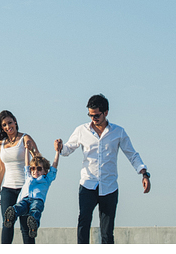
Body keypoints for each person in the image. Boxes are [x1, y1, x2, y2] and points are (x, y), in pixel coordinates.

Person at [56, 94, 151, 244]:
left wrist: (144, 174)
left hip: (109, 187)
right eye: (90, 115)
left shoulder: (118, 132)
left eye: (96, 115)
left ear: (106, 112)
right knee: (83, 224)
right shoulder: (81, 130)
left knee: (107, 231)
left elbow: (132, 155)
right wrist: (60, 147)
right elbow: (67, 150)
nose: (93, 118)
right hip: (87, 185)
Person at [0, 110, 39, 244]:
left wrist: (31, 150)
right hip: (8, 188)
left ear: (15, 122)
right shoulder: (1, 143)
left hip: (25, 189)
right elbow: (1, 168)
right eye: (4, 125)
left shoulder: (25, 138)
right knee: (7, 223)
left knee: (26, 227)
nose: (8, 127)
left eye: (10, 123)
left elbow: (38, 159)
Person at [4, 135, 60, 239]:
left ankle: (33, 226)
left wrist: (57, 152)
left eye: (39, 169)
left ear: (45, 171)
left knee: (35, 210)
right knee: (19, 207)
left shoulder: (47, 179)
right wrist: (27, 149)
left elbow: (54, 166)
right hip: (25, 199)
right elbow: (26, 163)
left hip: (37, 200)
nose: (35, 171)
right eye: (33, 169)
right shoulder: (28, 176)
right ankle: (11, 217)